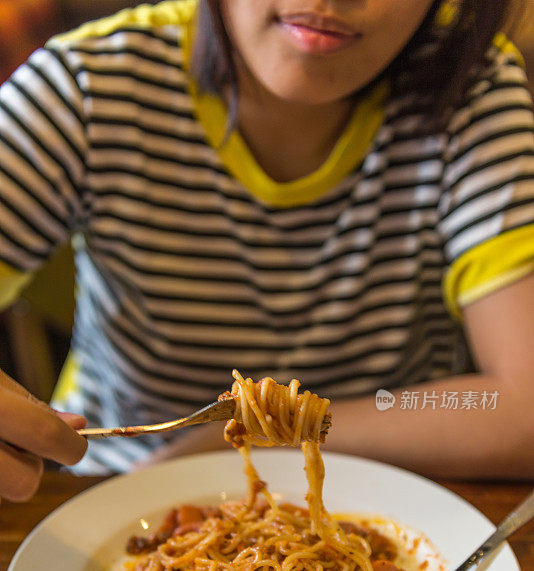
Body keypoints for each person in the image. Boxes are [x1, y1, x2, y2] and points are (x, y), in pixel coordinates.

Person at [0, 0, 533, 503]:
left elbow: (523, 407)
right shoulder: (88, 86)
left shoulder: (470, 87)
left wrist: (273, 428)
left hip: (393, 490)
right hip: (120, 482)